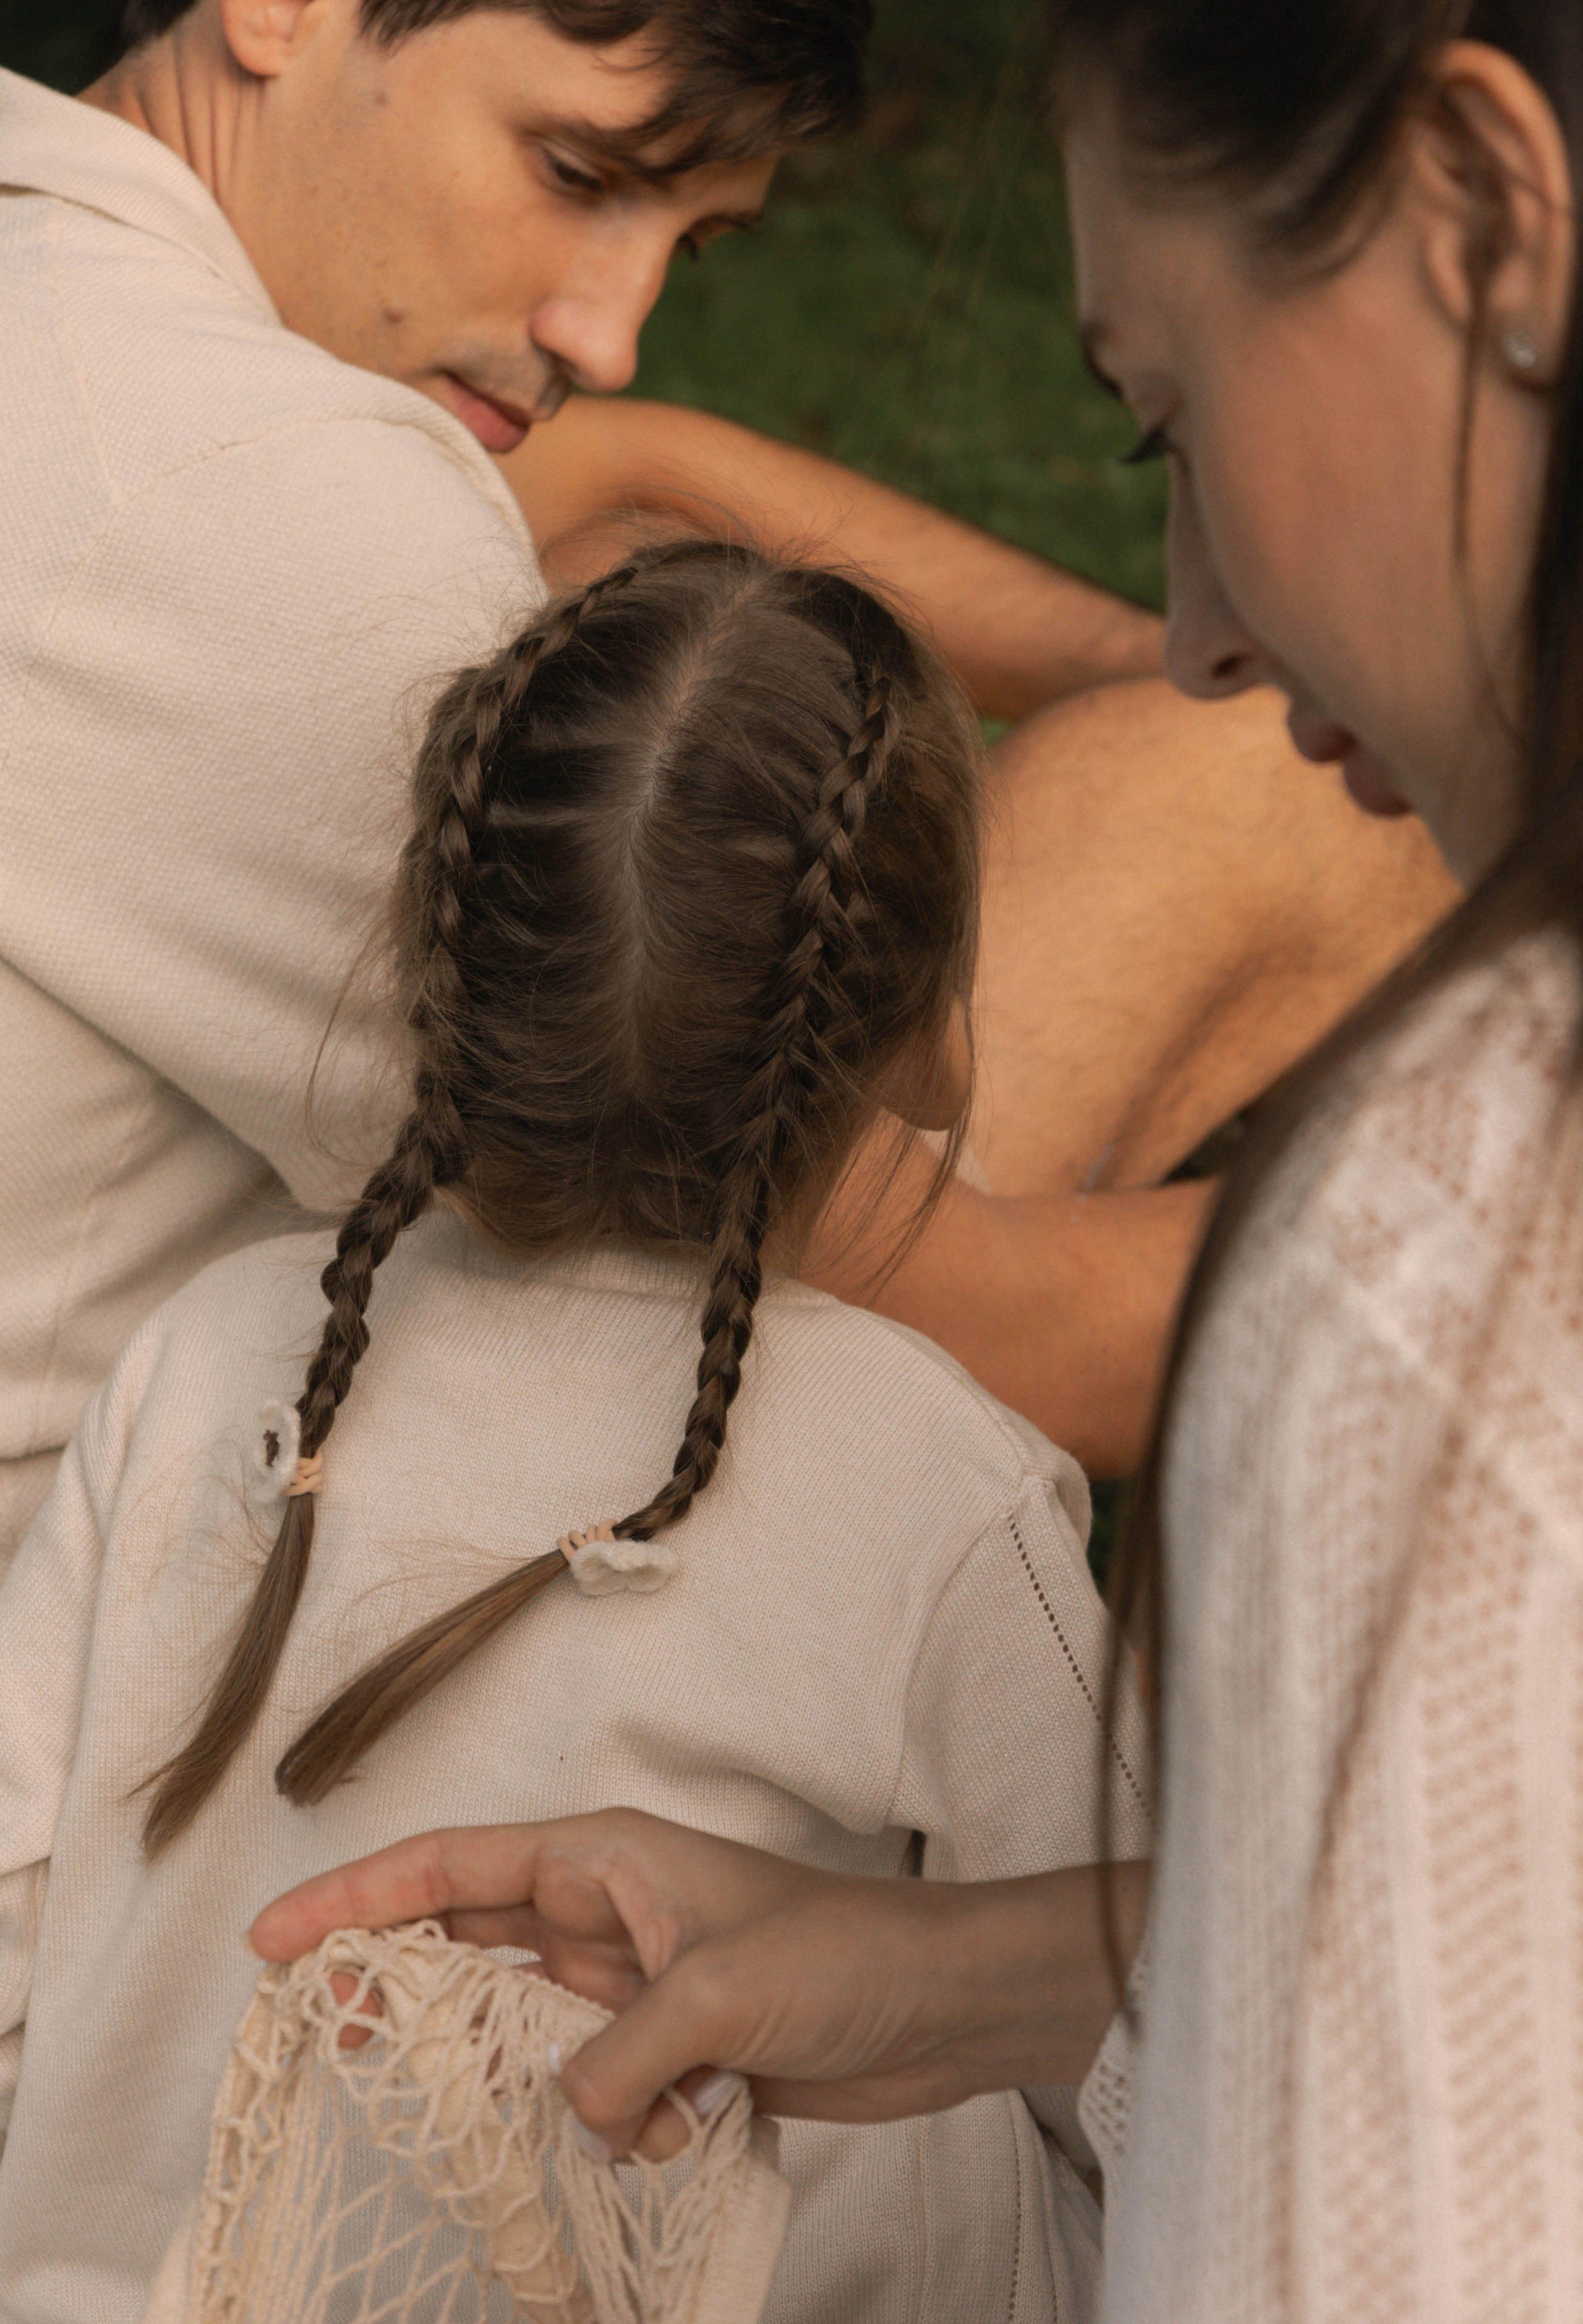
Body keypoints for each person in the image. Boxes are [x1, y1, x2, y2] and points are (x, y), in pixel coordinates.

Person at [250, 0, 1583, 2317]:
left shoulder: (1430, 1269)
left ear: (1494, 213)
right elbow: (1467, 1943)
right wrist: (955, 1970)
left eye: (1171, 429)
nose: (1194, 634)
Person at [0, 0, 1456, 1567]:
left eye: (685, 240)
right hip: (133, 1718)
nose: (612, 332)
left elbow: (608, 463)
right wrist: (1513, 1228)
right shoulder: (260, 506)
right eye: (575, 173)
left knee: (629, 553)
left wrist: (1158, 653)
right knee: (1265, 800)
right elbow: (993, 1332)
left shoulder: (70, 297)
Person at [0, 543, 1153, 2323]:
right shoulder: (941, 1490)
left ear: (442, 974)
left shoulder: (214, 1352)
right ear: (930, 1042)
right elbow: (1155, 2032)